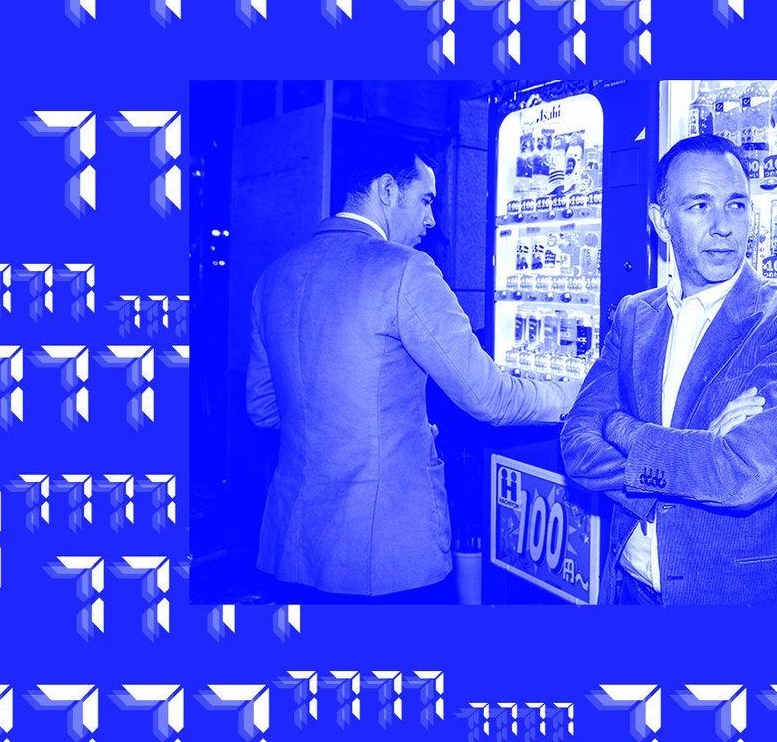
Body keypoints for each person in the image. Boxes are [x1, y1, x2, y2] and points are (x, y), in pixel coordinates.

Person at [246, 140, 577, 602]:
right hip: (385, 549)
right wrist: (573, 394)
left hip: (293, 542)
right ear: (387, 191)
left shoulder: (275, 276)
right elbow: (489, 398)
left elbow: (263, 409)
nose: (432, 220)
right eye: (425, 200)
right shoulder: (404, 270)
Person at [560, 134, 777, 605]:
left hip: (747, 604)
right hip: (632, 591)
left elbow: (744, 471)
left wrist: (621, 427)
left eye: (736, 205)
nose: (723, 227)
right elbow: (576, 445)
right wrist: (698, 458)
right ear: (661, 221)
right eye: (699, 206)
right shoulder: (634, 315)